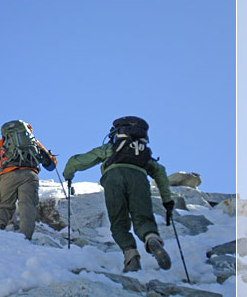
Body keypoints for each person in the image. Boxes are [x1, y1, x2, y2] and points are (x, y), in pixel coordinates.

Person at [63, 116, 174, 273]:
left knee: (119, 222)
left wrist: (68, 175)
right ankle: (151, 238)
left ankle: (131, 256)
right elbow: (160, 171)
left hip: (113, 178)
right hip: (139, 177)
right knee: (143, 217)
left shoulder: (111, 147)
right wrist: (167, 200)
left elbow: (77, 161)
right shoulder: (142, 152)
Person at [0, 120, 57, 240]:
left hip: (9, 175)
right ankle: (25, 238)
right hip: (30, 174)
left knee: (4, 205)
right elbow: (51, 165)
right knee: (27, 205)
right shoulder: (33, 141)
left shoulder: (3, 142)